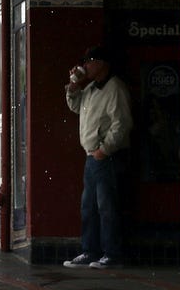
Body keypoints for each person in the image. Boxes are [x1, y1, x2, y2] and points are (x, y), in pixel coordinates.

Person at [63, 45, 133, 269]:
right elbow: (76, 107)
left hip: (107, 156)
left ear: (102, 63)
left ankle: (111, 253)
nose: (85, 65)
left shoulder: (115, 88)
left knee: (106, 206)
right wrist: (74, 85)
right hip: (91, 157)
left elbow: (122, 123)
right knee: (89, 207)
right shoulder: (91, 88)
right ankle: (90, 251)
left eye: (89, 60)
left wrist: (105, 150)